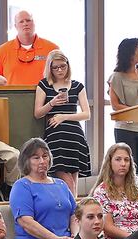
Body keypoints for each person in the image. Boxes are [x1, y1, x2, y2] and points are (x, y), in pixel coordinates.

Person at [9, 138, 78, 239]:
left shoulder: (61, 184)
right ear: (26, 161)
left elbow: (75, 214)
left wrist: (76, 236)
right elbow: (26, 223)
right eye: (36, 158)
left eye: (45, 156)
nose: (42, 161)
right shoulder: (22, 186)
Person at [34, 50, 91, 196]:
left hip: (74, 136)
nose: (60, 70)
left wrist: (63, 117)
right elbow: (38, 113)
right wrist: (52, 103)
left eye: (63, 66)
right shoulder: (44, 85)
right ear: (50, 68)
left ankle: (74, 214)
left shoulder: (77, 86)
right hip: (56, 137)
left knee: (74, 180)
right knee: (68, 182)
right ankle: (74, 214)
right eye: (56, 67)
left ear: (68, 66)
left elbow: (86, 114)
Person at [108, 38, 138, 176]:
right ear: (130, 54)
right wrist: (136, 111)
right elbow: (115, 105)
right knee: (127, 168)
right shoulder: (116, 77)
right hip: (125, 127)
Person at [90, 143, 138, 239]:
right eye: (118, 159)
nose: (123, 164)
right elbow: (108, 228)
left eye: (126, 160)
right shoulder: (102, 191)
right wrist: (134, 238)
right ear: (110, 162)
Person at [0, 10, 59, 85]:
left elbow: (62, 78)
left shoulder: (52, 49)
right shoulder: (2, 51)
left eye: (28, 20)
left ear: (34, 23)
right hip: (11, 96)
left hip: (46, 96)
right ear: (15, 26)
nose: (25, 24)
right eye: (21, 22)